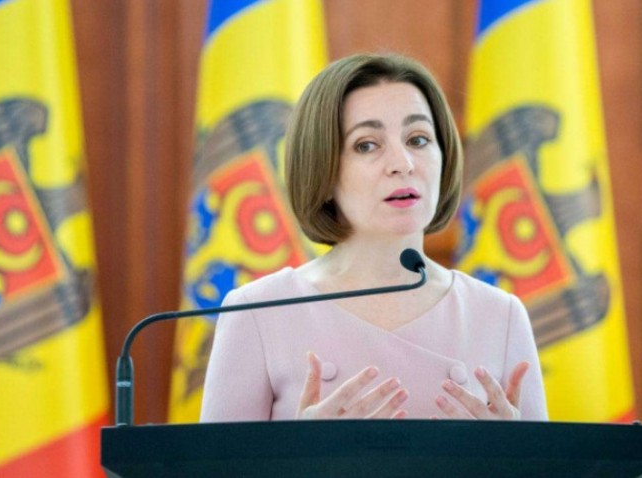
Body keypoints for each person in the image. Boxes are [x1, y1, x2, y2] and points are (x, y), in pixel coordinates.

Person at [200, 53, 548, 422]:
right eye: (367, 145)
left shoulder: (500, 315)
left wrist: (509, 451)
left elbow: (544, 458)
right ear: (322, 169)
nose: (403, 163)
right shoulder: (256, 312)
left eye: (418, 139)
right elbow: (217, 459)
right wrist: (302, 451)